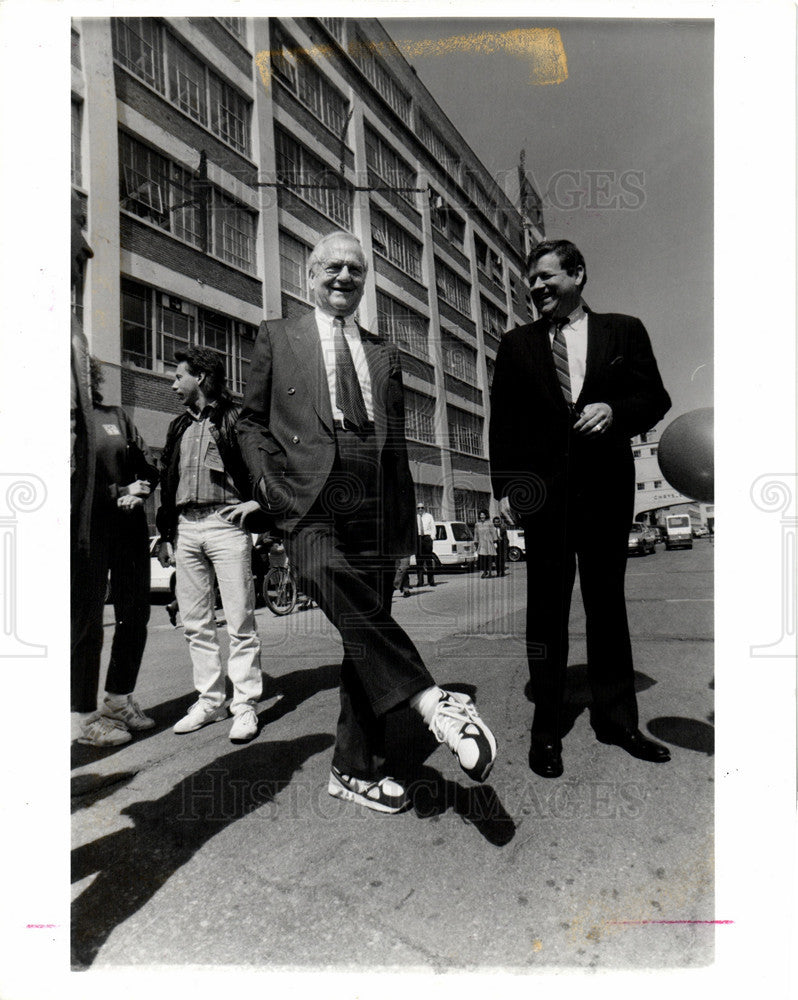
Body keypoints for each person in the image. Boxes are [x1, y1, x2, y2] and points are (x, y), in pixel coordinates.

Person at [237, 231, 497, 814]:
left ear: (365, 281)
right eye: (332, 267)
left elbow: (398, 448)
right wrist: (270, 489)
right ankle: (434, 703)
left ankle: (354, 770)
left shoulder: (384, 353)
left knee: (364, 634)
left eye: (355, 269)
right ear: (309, 275)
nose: (343, 278)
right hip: (308, 501)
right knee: (325, 573)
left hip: (376, 507)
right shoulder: (278, 337)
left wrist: (403, 532)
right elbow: (249, 424)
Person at [489, 238, 672, 779]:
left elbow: (656, 398)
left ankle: (618, 721)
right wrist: (506, 488)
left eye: (546, 277)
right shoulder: (517, 344)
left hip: (605, 492)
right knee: (546, 611)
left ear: (578, 275)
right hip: (543, 497)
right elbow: (505, 421)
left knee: (606, 605)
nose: (537, 287)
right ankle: (546, 730)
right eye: (532, 281)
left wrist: (614, 410)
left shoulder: (624, 330)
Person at [156, 346, 267, 743]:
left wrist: (260, 502)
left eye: (178, 376)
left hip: (225, 524)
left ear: (200, 379)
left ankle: (244, 705)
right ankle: (209, 700)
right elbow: (167, 482)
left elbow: (268, 463)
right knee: (195, 623)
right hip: (186, 527)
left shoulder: (237, 418)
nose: (172, 384)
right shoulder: (177, 426)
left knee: (239, 621)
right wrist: (167, 532)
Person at [71, 358, 159, 746]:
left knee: (134, 615)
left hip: (129, 530)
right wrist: (117, 493)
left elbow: (146, 465)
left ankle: (118, 701)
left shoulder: (114, 416)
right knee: (86, 621)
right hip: (85, 532)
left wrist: (141, 486)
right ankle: (82, 717)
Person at [415, 501, 436, 587]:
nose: (420, 509)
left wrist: (432, 537)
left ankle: (431, 581)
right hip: (419, 538)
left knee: (428, 560)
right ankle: (420, 581)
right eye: (418, 508)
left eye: (422, 508)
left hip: (427, 538)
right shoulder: (415, 517)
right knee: (419, 561)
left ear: (424, 508)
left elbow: (433, 527)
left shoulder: (429, 516)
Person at [474, 509, 497, 578]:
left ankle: (489, 572)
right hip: (482, 543)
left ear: (486, 515)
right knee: (483, 558)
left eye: (483, 515)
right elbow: (476, 534)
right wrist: (476, 541)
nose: (482, 517)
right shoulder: (477, 524)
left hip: (488, 542)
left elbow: (493, 532)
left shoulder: (490, 523)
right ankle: (484, 572)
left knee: (489, 558)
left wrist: (495, 541)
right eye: (481, 515)